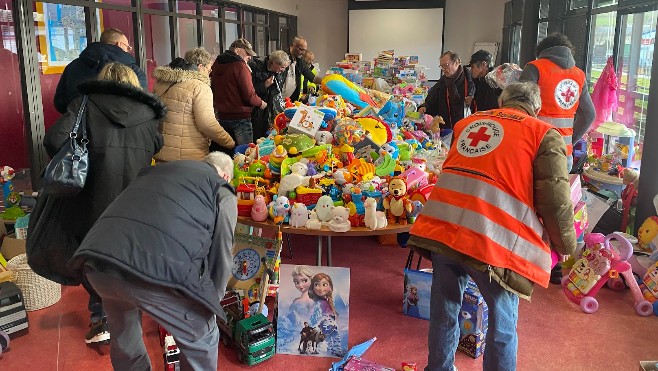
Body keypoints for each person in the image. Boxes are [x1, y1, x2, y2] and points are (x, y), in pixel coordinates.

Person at [408, 82, 577, 371]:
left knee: (444, 311)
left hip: (443, 227)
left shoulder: (467, 123)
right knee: (503, 324)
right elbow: (555, 202)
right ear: (536, 108)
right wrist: (566, 247)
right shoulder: (543, 134)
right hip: (492, 240)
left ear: (502, 101)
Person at [31, 62, 165, 345]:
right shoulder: (150, 111)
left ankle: (102, 318)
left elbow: (54, 139)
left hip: (92, 198)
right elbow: (156, 144)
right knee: (129, 255)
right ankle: (130, 317)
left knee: (94, 257)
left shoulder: (85, 104)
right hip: (136, 200)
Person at [70, 152, 237, 370]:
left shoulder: (156, 172)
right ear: (225, 175)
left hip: (99, 261)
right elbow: (221, 255)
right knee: (202, 338)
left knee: (125, 334)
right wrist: (210, 304)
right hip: (154, 268)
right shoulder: (221, 189)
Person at [519, 32, 595, 284]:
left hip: (534, 149)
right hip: (564, 154)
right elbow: (589, 115)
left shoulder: (535, 68)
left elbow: (518, 107)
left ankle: (525, 260)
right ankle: (555, 267)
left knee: (527, 204)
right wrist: (570, 141)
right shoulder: (579, 74)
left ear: (543, 50)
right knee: (559, 208)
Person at [153, 48, 235, 162]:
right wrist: (229, 142)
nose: (210, 72)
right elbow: (207, 124)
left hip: (160, 152)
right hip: (189, 156)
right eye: (208, 68)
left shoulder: (161, 83)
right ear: (200, 67)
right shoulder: (199, 87)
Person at [54, 28, 147, 114]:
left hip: (81, 126)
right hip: (121, 128)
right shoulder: (133, 70)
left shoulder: (72, 66)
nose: (128, 50)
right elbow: (141, 103)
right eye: (128, 47)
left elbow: (60, 102)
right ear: (119, 44)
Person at [210, 38, 266, 146]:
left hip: (221, 115)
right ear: (237, 50)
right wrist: (261, 103)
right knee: (245, 155)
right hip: (240, 117)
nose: (250, 57)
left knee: (227, 151)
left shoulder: (217, 64)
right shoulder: (240, 66)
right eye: (247, 53)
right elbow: (249, 95)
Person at [418, 51, 475, 130]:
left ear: (457, 63)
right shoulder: (443, 81)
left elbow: (479, 104)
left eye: (446, 65)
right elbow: (432, 100)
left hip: (467, 126)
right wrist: (425, 107)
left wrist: (472, 100)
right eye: (441, 66)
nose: (443, 69)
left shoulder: (470, 79)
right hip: (447, 126)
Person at [250, 50, 291, 139]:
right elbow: (249, 91)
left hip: (271, 107)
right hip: (257, 108)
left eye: (285, 68)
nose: (283, 70)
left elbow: (278, 90)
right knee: (258, 136)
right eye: (282, 67)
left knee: (270, 135)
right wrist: (264, 85)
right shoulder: (256, 66)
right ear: (274, 63)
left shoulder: (281, 71)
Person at [282, 36, 323, 102]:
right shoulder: (283, 56)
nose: (303, 53)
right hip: (280, 96)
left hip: (292, 98)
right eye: (301, 50)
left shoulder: (299, 60)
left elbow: (311, 76)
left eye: (304, 50)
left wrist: (326, 81)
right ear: (294, 45)